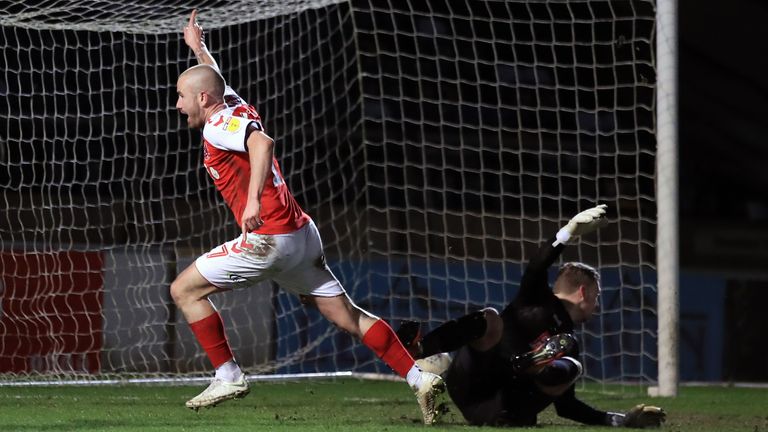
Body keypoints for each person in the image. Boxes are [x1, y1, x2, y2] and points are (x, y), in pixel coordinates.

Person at [171, 10, 445, 424]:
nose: (178, 104)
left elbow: (262, 144)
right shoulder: (232, 104)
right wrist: (199, 48)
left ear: (203, 100)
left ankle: (228, 375)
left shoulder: (215, 128)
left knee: (184, 291)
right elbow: (215, 80)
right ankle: (417, 377)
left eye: (181, 96)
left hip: (269, 236)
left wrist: (252, 204)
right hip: (301, 233)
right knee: (349, 315)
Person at [397, 204, 666, 428]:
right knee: (490, 319)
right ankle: (418, 349)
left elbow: (567, 407)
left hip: (494, 409)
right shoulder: (537, 299)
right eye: (596, 296)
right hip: (471, 382)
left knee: (571, 364)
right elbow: (537, 266)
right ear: (583, 292)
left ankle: (529, 369)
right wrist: (568, 231)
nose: (597, 304)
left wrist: (621, 420)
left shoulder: (568, 340)